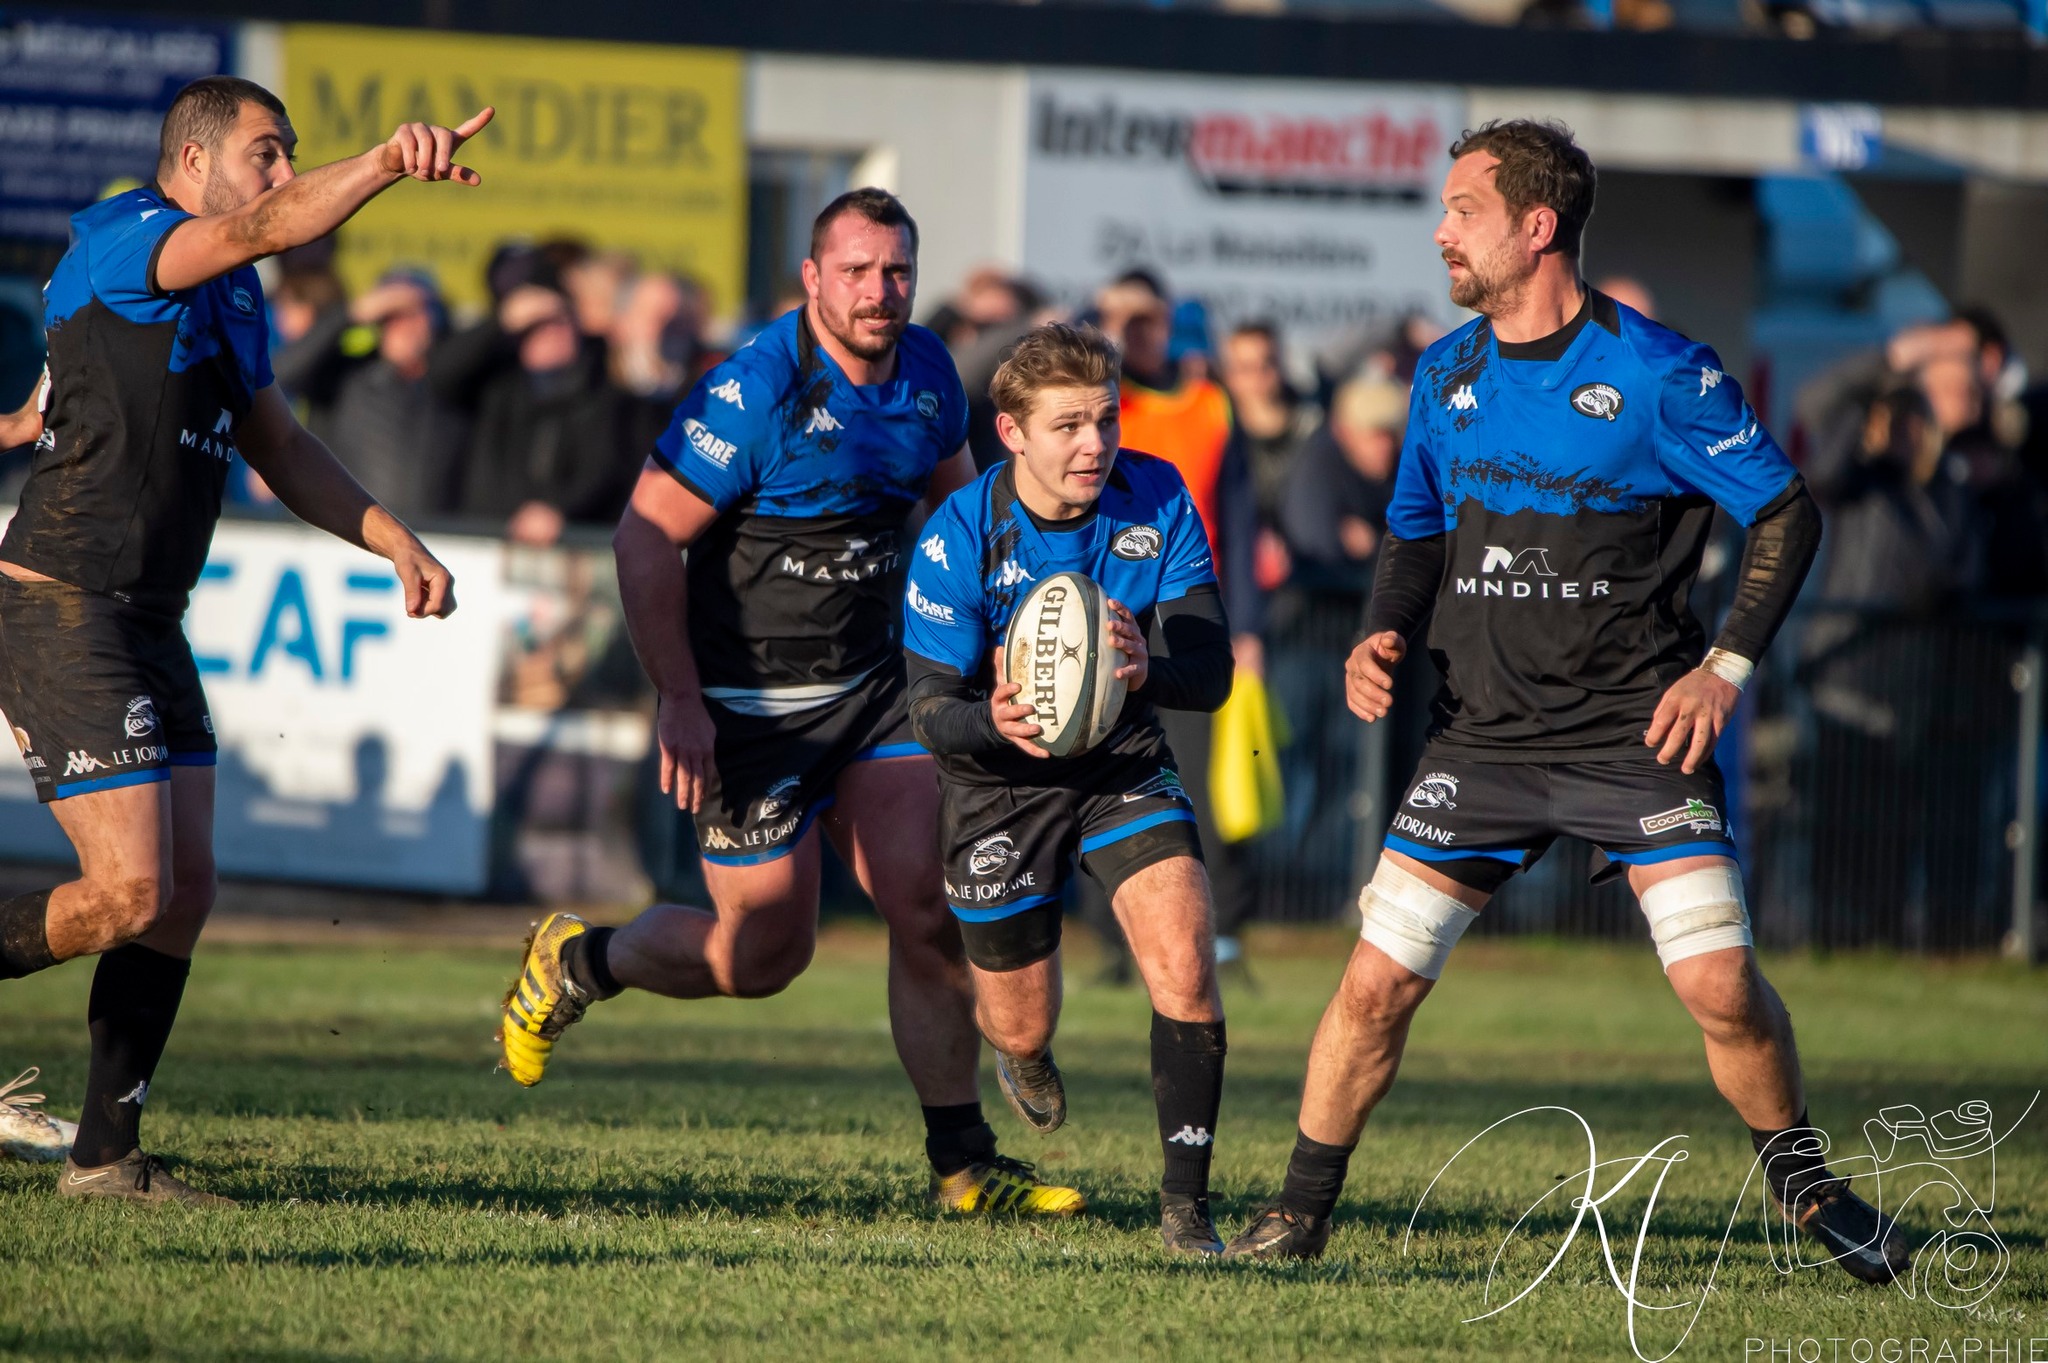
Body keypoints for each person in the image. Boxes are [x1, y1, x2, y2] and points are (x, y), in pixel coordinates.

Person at [1224, 120, 1908, 1290]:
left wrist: (1723, 668)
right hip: (1480, 739)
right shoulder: (1443, 373)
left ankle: (1806, 1189)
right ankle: (1296, 1211)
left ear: (1534, 226)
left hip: (1631, 739)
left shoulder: (1658, 371)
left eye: (1461, 210)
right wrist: (1382, 628)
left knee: (1717, 985)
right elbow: (1415, 529)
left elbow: (1784, 512)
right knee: (1374, 983)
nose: (1439, 233)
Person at [495, 189, 1082, 1217]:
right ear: (812, 278)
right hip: (748, 709)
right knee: (763, 955)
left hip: (873, 691)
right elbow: (643, 536)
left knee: (927, 908)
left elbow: (959, 516)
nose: (878, 291)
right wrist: (679, 698)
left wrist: (1001, 639)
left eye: (896, 271)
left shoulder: (929, 371)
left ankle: (964, 1168)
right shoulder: (754, 390)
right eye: (855, 271)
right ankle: (579, 959)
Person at [0, 75, 471, 1202]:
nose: (284, 171)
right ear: (194, 161)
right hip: (64, 599)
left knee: (184, 890)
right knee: (128, 891)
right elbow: (266, 226)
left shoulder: (233, 295)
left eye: (292, 153)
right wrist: (383, 162)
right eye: (269, 151)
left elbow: (284, 447)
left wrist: (396, 541)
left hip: (147, 616)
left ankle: (104, 1159)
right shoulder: (133, 233)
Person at [900, 322, 1235, 1252]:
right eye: (1069, 426)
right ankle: (1023, 1053)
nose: (1096, 444)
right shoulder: (961, 532)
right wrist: (992, 720)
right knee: (1020, 1020)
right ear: (1012, 433)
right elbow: (928, 709)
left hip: (1122, 761)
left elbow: (1211, 671)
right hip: (997, 783)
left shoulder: (1157, 496)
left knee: (1185, 960)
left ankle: (1187, 1208)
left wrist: (1148, 670)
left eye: (1106, 420)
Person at [1094, 272, 1261, 974]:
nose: (1139, 331)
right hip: (1106, 609)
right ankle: (1114, 943)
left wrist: (1247, 626)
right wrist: (1106, 329)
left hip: (1187, 608)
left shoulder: (1210, 404)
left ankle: (1215, 934)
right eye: (1123, 318)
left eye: (1150, 317)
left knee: (1194, 778)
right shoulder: (1103, 402)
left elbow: (1242, 520)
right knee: (1098, 766)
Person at [430, 278, 641, 546]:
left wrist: (558, 510)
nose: (550, 333)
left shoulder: (606, 393)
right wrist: (501, 320)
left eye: (558, 321)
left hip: (573, 544)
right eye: (535, 327)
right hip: (484, 542)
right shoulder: (494, 388)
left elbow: (606, 468)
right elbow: (441, 375)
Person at [268, 268, 468, 521]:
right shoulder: (350, 376)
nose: (406, 326)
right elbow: (279, 375)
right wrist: (353, 313)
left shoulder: (458, 383)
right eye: (393, 316)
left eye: (416, 314)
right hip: (355, 531)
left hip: (442, 536)